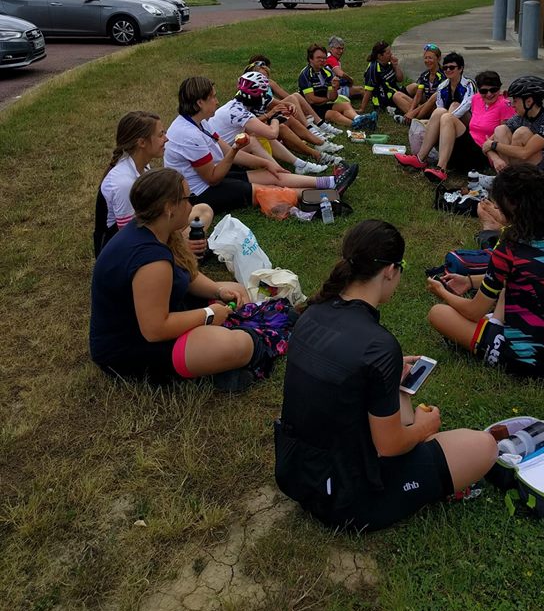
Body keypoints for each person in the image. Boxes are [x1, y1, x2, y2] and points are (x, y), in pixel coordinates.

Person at [274, 220, 498, 531]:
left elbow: (337, 388)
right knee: (484, 446)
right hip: (348, 499)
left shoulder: (312, 313)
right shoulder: (378, 346)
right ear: (391, 270)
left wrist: (391, 383)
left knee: (403, 418)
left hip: (296, 472)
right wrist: (424, 427)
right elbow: (390, 445)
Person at [90, 168, 289, 389]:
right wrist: (209, 315)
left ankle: (214, 361)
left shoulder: (152, 229)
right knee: (240, 344)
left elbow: (187, 275)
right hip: (131, 348)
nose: (191, 204)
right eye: (187, 198)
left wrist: (218, 292)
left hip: (162, 315)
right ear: (169, 208)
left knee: (238, 291)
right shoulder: (151, 262)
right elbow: (155, 330)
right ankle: (213, 367)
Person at [427, 165, 544, 378]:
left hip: (533, 360)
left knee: (438, 314)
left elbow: (473, 311)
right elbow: (518, 277)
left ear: (511, 207)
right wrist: (469, 281)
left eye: (498, 204)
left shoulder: (509, 249)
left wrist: (442, 292)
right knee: (508, 290)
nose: (495, 207)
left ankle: (495, 333)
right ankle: (495, 323)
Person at [164, 76, 358, 215]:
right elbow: (213, 178)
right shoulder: (189, 135)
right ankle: (328, 195)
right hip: (200, 192)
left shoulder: (200, 122)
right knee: (268, 189)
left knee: (271, 174)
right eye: (213, 97)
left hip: (214, 174)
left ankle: (331, 182)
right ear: (199, 102)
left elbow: (226, 152)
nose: (217, 101)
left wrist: (266, 163)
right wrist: (236, 149)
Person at [94, 111, 213, 259]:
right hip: (125, 254)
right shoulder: (123, 183)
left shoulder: (141, 167)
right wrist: (180, 244)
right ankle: (183, 252)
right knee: (190, 220)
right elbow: (131, 238)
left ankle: (185, 249)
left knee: (203, 210)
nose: (166, 139)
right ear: (142, 143)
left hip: (145, 231)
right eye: (160, 135)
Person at [209, 72, 329, 175]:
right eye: (262, 94)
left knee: (257, 135)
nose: (264, 98)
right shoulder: (239, 112)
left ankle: (300, 164)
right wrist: (275, 118)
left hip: (219, 153)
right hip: (219, 161)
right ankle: (282, 172)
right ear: (254, 96)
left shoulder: (235, 107)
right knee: (254, 140)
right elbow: (272, 134)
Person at [394, 52, 475, 181]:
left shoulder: (468, 84)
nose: (448, 70)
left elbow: (467, 105)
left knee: (453, 106)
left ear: (460, 69)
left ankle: (441, 168)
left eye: (452, 67)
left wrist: (446, 119)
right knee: (438, 112)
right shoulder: (442, 86)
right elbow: (439, 108)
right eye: (445, 68)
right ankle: (420, 158)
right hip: (449, 126)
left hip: (468, 129)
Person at [482, 75, 544, 183]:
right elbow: (486, 144)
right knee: (500, 130)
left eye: (515, 101)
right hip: (524, 167)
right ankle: (506, 180)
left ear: (529, 101)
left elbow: (524, 153)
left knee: (522, 133)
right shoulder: (520, 117)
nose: (512, 105)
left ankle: (509, 181)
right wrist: (496, 159)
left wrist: (493, 145)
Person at [246, 54, 344, 142]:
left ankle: (318, 125)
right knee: (294, 99)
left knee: (295, 97)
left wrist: (295, 105)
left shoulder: (269, 83)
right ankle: (311, 128)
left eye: (266, 76)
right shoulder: (248, 90)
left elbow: (285, 96)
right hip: (266, 115)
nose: (265, 80)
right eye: (262, 75)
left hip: (273, 109)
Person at [298, 44, 376, 130]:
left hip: (322, 104)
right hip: (309, 108)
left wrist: (335, 88)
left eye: (324, 58)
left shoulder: (327, 72)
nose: (322, 60)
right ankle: (356, 124)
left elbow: (333, 98)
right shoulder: (305, 74)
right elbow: (311, 100)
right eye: (318, 58)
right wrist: (327, 99)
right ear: (310, 59)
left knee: (345, 105)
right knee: (333, 114)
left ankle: (358, 118)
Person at [359, 41, 413, 117]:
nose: (391, 54)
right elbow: (368, 91)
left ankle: (423, 108)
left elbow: (400, 79)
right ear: (380, 56)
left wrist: (395, 65)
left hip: (396, 91)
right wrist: (362, 109)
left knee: (415, 86)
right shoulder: (373, 69)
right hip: (385, 100)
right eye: (388, 53)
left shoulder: (389, 63)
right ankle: (416, 114)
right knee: (397, 96)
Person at [402, 43, 443, 123]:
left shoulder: (443, 75)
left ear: (438, 59)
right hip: (424, 106)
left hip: (437, 107)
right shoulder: (424, 75)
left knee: (434, 97)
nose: (427, 61)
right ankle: (411, 117)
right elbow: (418, 95)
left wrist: (414, 112)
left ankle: (414, 120)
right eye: (425, 58)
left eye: (430, 58)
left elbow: (434, 100)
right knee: (397, 95)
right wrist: (411, 111)